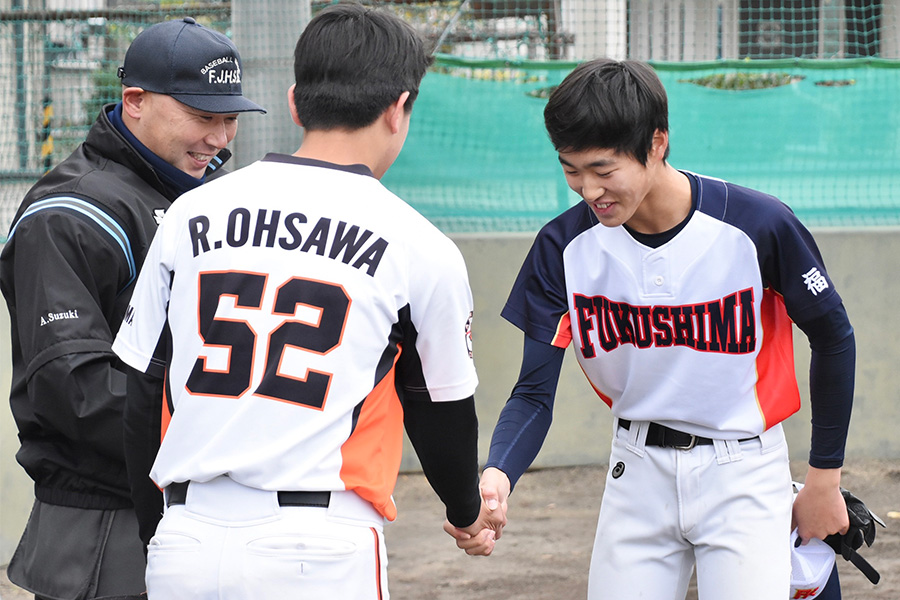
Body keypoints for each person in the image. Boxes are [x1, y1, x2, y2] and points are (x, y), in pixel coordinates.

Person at [111, 4, 503, 599]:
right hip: (317, 545)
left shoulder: (190, 213)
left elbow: (140, 391)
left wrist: (159, 531)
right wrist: (466, 510)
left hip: (185, 538)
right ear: (399, 109)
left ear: (295, 102)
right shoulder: (420, 244)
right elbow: (436, 406)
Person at [467, 58, 854, 599]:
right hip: (636, 471)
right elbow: (533, 392)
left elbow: (834, 336)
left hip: (743, 470)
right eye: (571, 169)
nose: (588, 188)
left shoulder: (756, 226)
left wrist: (824, 479)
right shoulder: (563, 247)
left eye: (603, 169)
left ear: (656, 144)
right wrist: (498, 474)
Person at [0, 17, 264, 600]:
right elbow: (76, 392)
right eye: (202, 117)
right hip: (105, 530)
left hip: (203, 508)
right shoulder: (70, 211)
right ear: (135, 101)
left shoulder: (211, 197)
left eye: (229, 119)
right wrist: (232, 429)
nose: (219, 139)